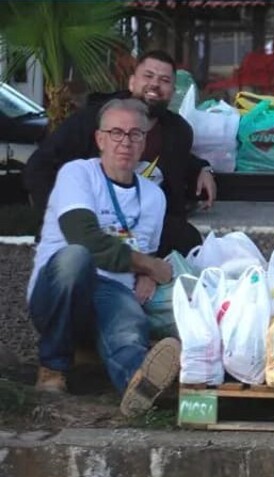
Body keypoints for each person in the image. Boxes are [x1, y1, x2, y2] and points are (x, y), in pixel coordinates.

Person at [28, 98, 181, 417]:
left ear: (144, 143)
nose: (125, 142)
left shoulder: (153, 195)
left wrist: (146, 272)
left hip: (112, 290)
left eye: (134, 134)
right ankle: (52, 368)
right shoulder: (77, 174)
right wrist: (149, 266)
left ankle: (140, 384)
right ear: (100, 139)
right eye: (116, 133)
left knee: (128, 325)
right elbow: (84, 237)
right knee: (77, 258)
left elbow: (145, 249)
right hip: (59, 290)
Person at [24, 50, 217, 258]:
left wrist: (201, 168)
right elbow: (38, 166)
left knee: (189, 240)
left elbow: (173, 159)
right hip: (95, 220)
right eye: (148, 76)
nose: (155, 84)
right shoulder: (93, 120)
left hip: (141, 223)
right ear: (132, 82)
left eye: (164, 80)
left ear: (172, 90)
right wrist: (59, 216)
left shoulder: (178, 131)